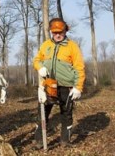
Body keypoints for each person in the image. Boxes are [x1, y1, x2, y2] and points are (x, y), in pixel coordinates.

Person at [33, 18, 86, 148]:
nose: (57, 35)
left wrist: (78, 87)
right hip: (48, 85)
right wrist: (40, 67)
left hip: (65, 86)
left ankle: (65, 141)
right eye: (55, 32)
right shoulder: (46, 45)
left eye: (60, 32)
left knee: (66, 114)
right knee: (42, 113)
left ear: (65, 30)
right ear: (51, 31)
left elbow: (79, 68)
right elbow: (36, 60)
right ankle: (39, 141)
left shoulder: (72, 46)